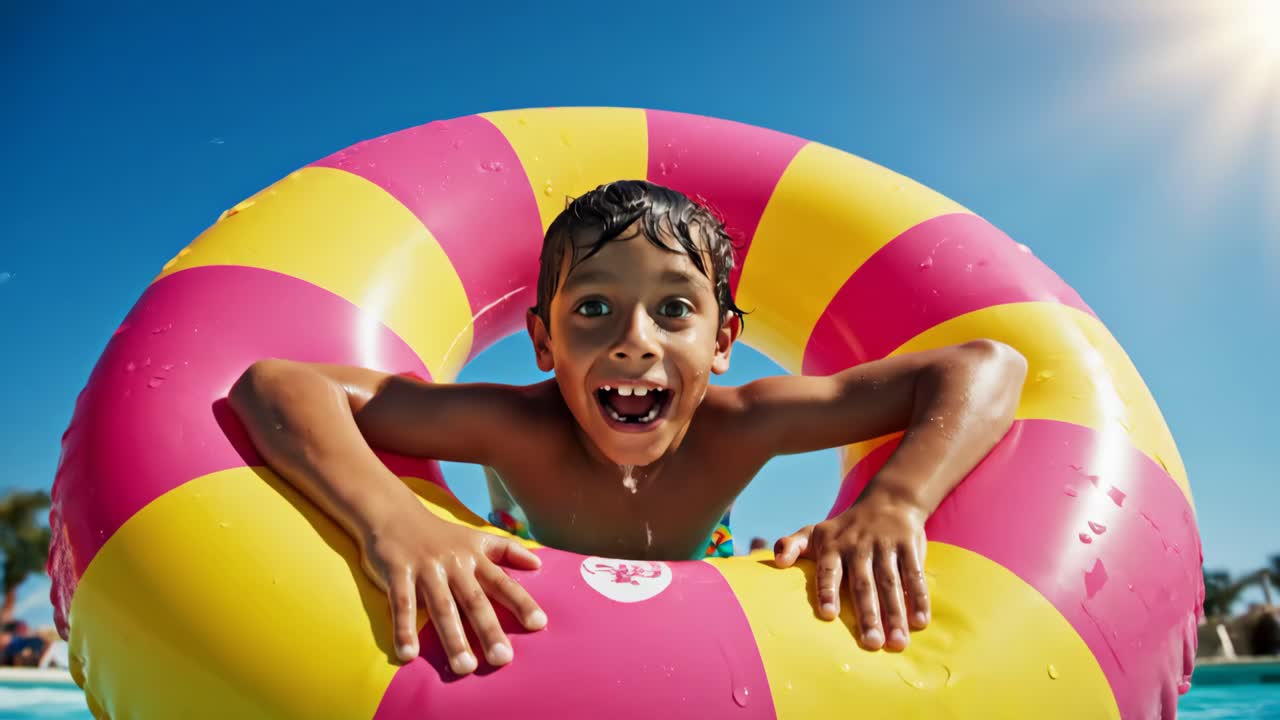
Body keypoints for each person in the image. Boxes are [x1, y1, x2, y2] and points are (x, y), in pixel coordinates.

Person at [229, 180, 1027, 677]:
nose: (635, 339)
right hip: (528, 545)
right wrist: (395, 520)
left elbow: (988, 366)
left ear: (722, 341)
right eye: (593, 308)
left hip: (700, 566)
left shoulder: (744, 424)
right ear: (544, 342)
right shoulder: (512, 426)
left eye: (675, 308)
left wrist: (895, 501)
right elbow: (280, 386)